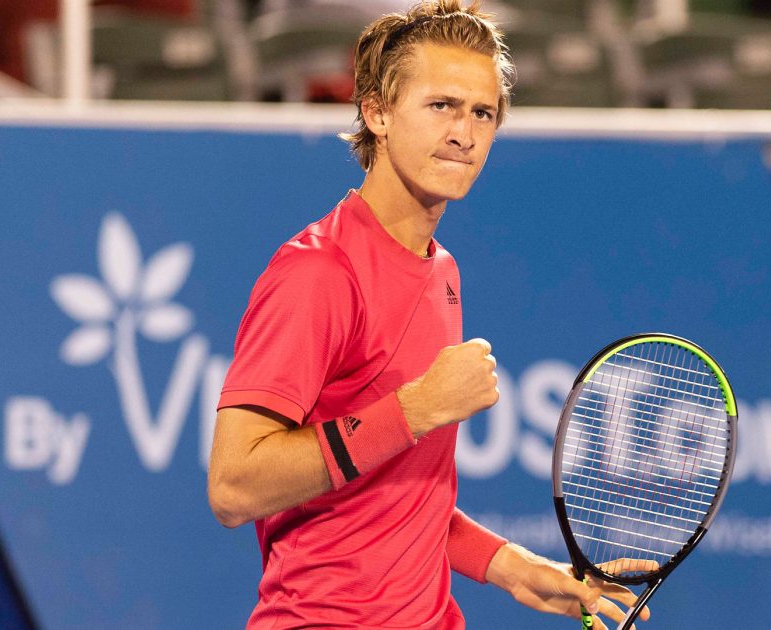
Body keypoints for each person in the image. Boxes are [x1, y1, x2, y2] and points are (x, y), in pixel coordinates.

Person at [207, 1, 652, 628]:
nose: (463, 133)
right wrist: (414, 410)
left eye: (482, 113)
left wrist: (517, 568)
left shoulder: (441, 269)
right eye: (441, 105)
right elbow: (234, 487)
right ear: (377, 112)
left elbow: (394, 498)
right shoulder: (317, 272)